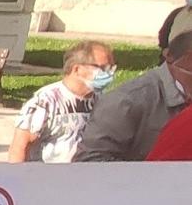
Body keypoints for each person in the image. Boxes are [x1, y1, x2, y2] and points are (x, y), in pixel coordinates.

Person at [76, 30, 192, 162]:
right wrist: (142, 176)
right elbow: (90, 161)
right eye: (189, 58)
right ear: (170, 57)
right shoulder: (127, 101)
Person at [8, 42, 116, 163]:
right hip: (46, 176)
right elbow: (20, 146)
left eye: (111, 68)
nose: (109, 74)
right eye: (102, 68)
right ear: (77, 69)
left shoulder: (102, 100)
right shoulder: (46, 101)